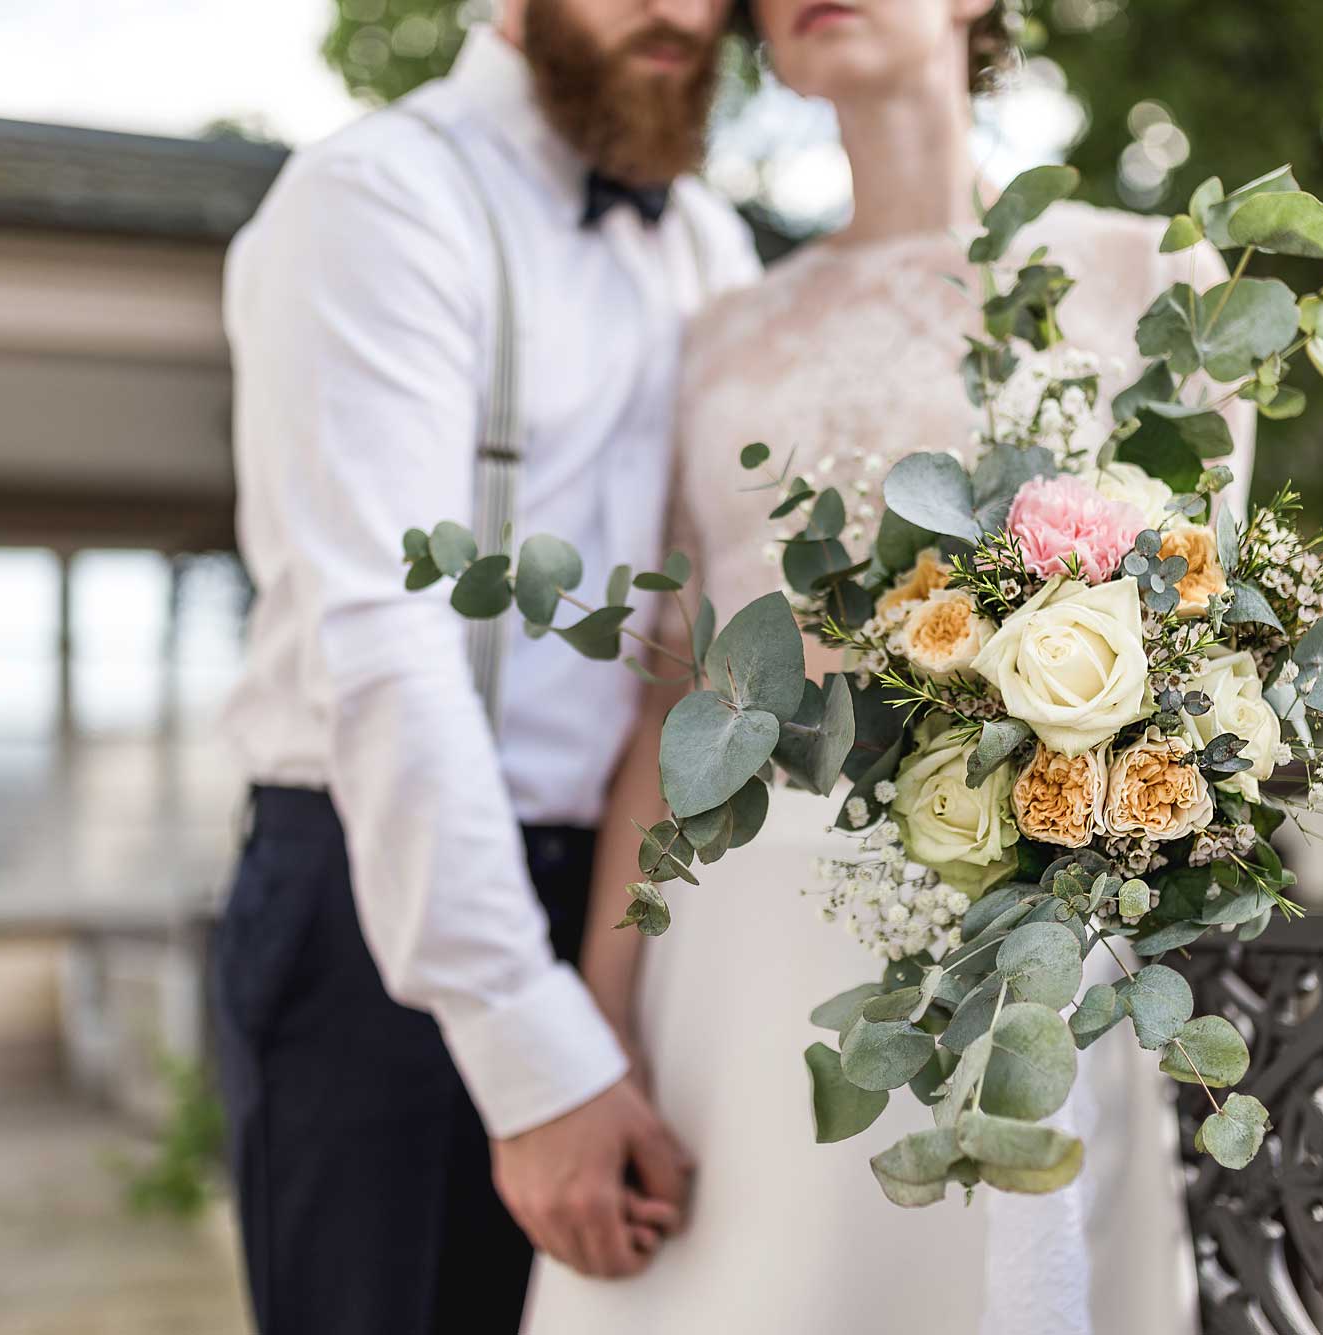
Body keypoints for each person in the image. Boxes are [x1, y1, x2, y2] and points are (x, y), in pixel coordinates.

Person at [526, 0, 1255, 1330]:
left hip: (1024, 949)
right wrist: (598, 1022)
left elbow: (1207, 648)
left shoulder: (1157, 285)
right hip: (739, 960)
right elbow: (681, 693)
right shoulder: (719, 338)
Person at [211, 0, 760, 1327]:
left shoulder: (709, 242)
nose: (678, 11)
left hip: (636, 909)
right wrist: (534, 1051)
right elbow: (385, 643)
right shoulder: (377, 195)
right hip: (376, 898)